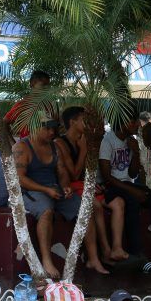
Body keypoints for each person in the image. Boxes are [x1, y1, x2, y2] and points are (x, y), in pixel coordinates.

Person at [16, 114, 108, 277]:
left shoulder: (54, 147)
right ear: (35, 127)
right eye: (47, 128)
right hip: (31, 192)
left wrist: (65, 186)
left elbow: (62, 172)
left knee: (84, 209)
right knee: (46, 212)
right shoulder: (22, 147)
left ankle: (93, 258)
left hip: (54, 190)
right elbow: (20, 178)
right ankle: (47, 261)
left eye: (54, 128)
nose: (52, 132)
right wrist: (45, 190)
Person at [99, 116, 151, 274]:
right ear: (123, 122)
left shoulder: (130, 141)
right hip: (110, 186)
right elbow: (106, 176)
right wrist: (132, 190)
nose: (138, 124)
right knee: (132, 202)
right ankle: (137, 254)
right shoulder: (108, 141)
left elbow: (131, 172)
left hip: (126, 183)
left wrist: (136, 153)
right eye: (134, 121)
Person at [55, 106, 126, 264]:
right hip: (72, 186)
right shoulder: (60, 142)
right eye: (83, 120)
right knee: (96, 206)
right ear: (72, 122)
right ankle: (104, 251)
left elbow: (89, 170)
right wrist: (83, 150)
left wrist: (92, 183)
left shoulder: (86, 139)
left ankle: (116, 248)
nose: (87, 123)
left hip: (86, 185)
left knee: (118, 203)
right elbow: (73, 173)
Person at [4, 70, 51, 139]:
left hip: (45, 147)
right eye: (43, 85)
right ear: (32, 84)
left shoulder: (47, 105)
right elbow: (5, 122)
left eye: (47, 86)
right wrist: (12, 142)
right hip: (27, 147)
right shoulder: (23, 104)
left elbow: (47, 125)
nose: (46, 89)